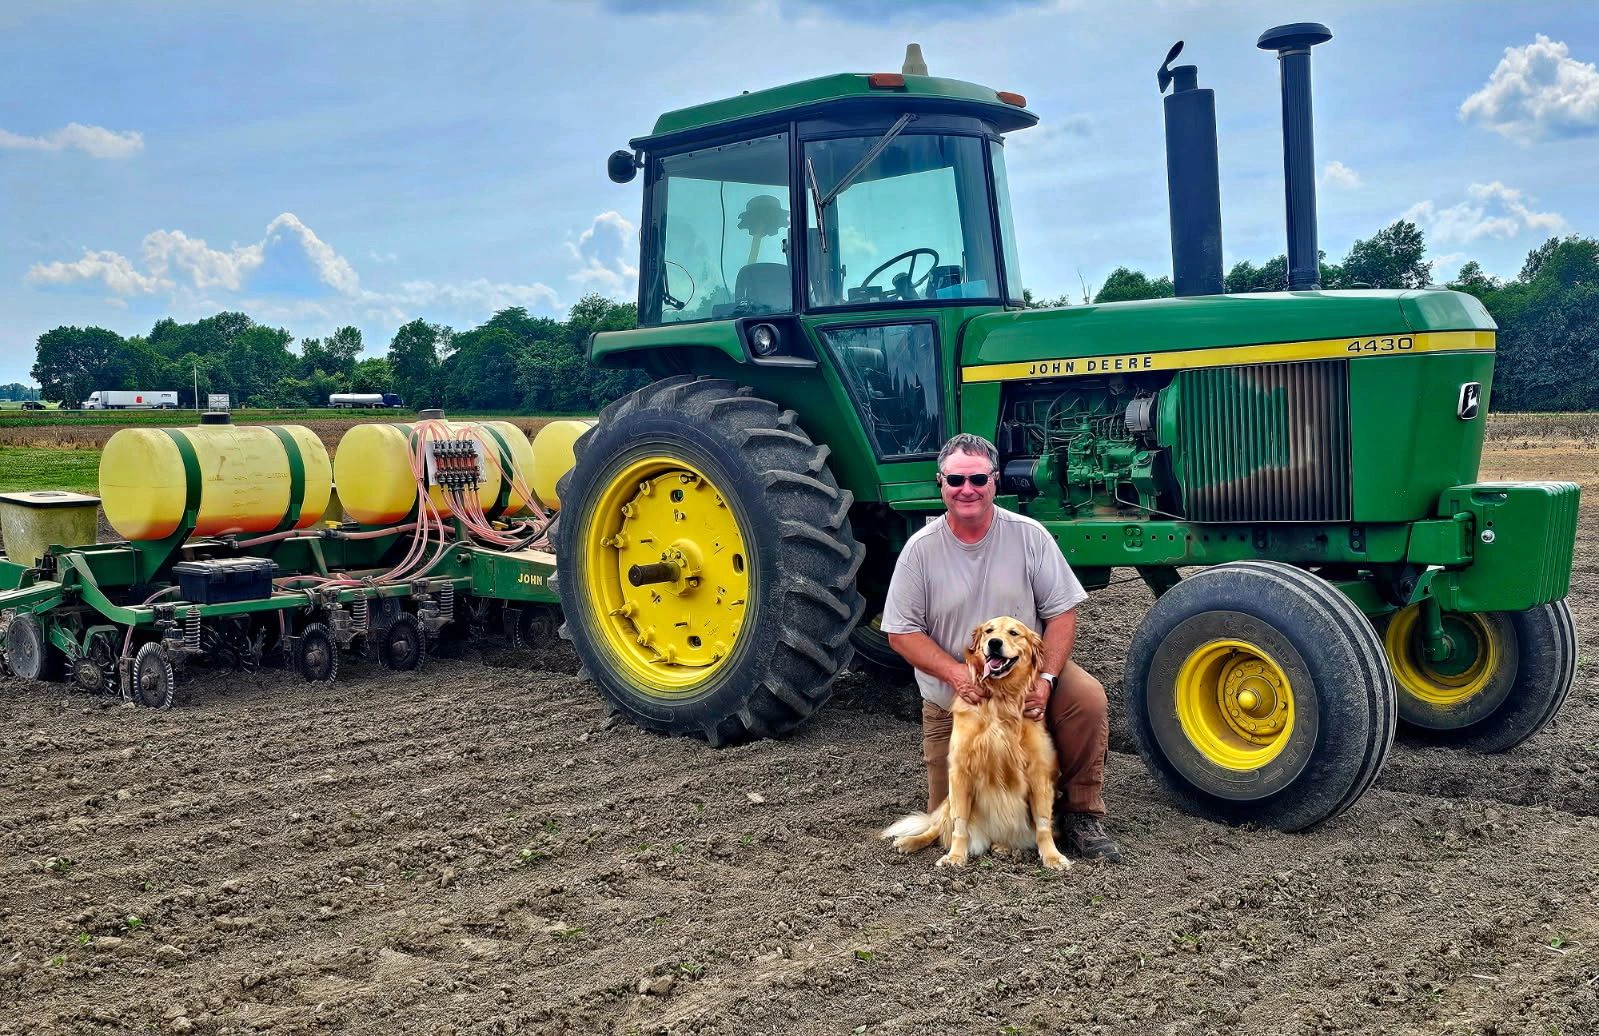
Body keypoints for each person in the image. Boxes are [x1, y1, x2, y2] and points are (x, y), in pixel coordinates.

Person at [880, 432, 1121, 863]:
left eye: (977, 479)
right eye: (955, 481)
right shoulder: (920, 551)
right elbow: (901, 633)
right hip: (956, 701)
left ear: (994, 481)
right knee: (953, 826)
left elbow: (1063, 614)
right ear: (941, 483)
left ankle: (1081, 812)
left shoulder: (1029, 535)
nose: (966, 490)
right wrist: (956, 674)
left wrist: (1046, 679)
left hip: (1021, 688)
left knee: (1085, 698)